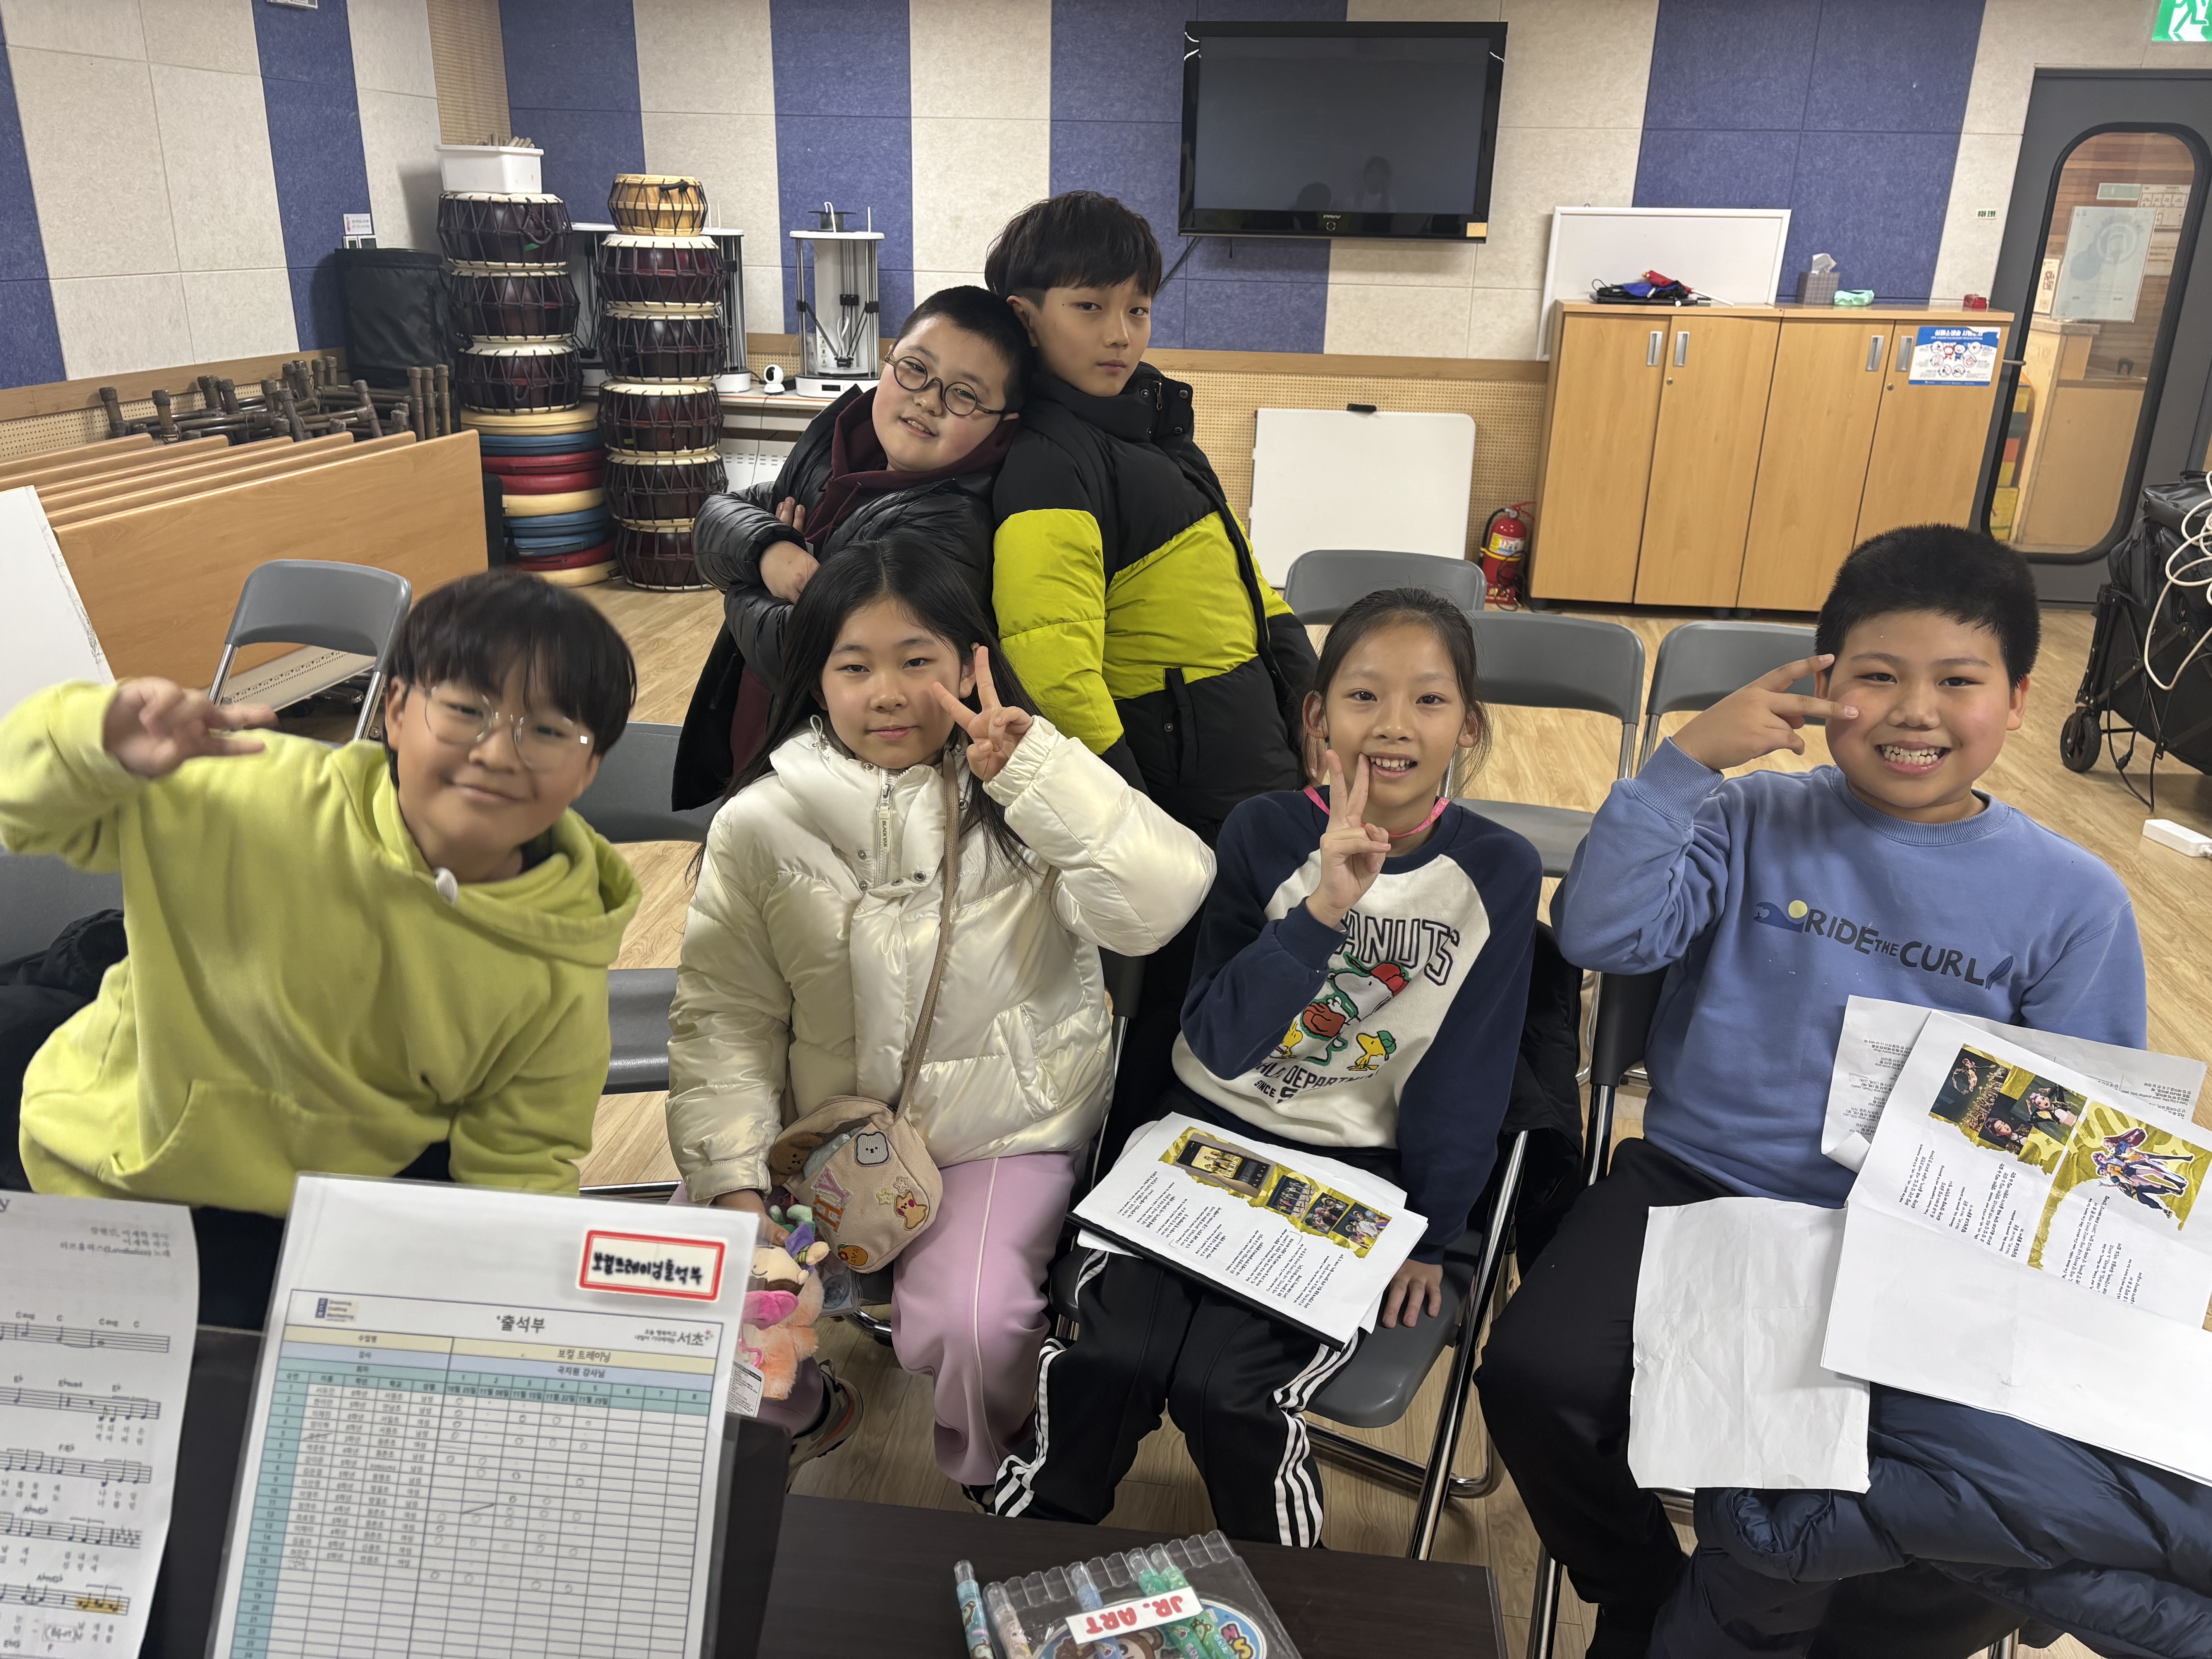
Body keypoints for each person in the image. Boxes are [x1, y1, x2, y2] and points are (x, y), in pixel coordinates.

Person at [1479, 525, 2147, 1659]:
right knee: (1534, 1375)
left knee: (1971, 1501)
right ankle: (1645, 1594)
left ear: (2020, 701)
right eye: (1877, 676)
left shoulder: (2073, 899)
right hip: (1697, 1184)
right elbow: (1597, 932)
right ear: (1824, 684)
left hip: (1918, 1236)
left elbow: (2094, 1136)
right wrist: (1685, 763)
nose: (1914, 712)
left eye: (1958, 681)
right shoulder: (1749, 819)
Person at [665, 531, 1212, 1489]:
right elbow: (724, 1020)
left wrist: (1040, 777)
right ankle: (800, 1412)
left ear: (970, 666)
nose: (887, 693)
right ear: (815, 678)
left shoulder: (1028, 800)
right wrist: (735, 1188)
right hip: (814, 1138)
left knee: (977, 1323)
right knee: (700, 1293)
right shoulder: (759, 823)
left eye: (917, 661)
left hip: (1001, 1133)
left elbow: (1163, 904)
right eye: (855, 666)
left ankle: (991, 1470)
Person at [993, 588, 1540, 1544]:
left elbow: (1470, 1074)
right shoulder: (1263, 832)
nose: (1395, 725)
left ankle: (1290, 1582)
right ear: (1318, 718)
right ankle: (1025, 1546)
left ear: (1468, 724)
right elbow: (1218, 1042)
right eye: (1364, 696)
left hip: (1357, 1172)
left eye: (1429, 700)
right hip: (1201, 1136)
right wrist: (1323, 911)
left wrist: (1436, 1235)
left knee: (1231, 1389)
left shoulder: (1497, 870)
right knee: (1111, 1358)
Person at [0, 570, 642, 1328]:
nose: (499, 753)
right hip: (101, 1174)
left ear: (589, 769)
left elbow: (521, 1164)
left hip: (307, 1224)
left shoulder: (560, 966)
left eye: (549, 732)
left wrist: (525, 1315)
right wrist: (93, 738)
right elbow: (22, 812)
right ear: (395, 710)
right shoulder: (247, 788)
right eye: (467, 710)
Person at [983, 189, 1319, 1161]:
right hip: (1175, 791)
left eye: (1137, 307)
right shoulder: (1051, 458)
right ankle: (1135, 1192)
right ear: (1025, 318)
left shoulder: (1154, 430)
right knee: (1181, 1013)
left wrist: (1308, 693)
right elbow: (1053, 659)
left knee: (1257, 980)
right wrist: (1131, 814)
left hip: (1246, 760)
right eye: (1089, 307)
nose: (1120, 333)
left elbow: (1247, 577)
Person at [672, 285, 1033, 806]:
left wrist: (742, 581)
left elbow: (802, 655)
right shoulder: (834, 454)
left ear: (1003, 424)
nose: (928, 400)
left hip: (848, 787)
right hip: (760, 744)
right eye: (915, 369)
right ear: (889, 362)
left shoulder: (952, 525)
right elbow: (717, 515)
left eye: (964, 395)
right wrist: (770, 551)